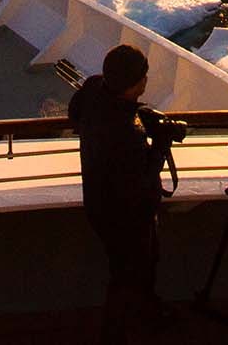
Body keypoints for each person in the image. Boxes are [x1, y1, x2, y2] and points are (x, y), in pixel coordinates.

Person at [68, 43, 167, 343]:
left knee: (139, 263)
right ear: (135, 84)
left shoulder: (94, 88)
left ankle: (145, 309)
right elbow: (145, 178)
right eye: (143, 78)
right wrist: (161, 142)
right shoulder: (125, 135)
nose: (146, 81)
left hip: (98, 202)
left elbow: (77, 113)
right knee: (126, 274)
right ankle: (116, 333)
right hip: (125, 215)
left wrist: (139, 113)